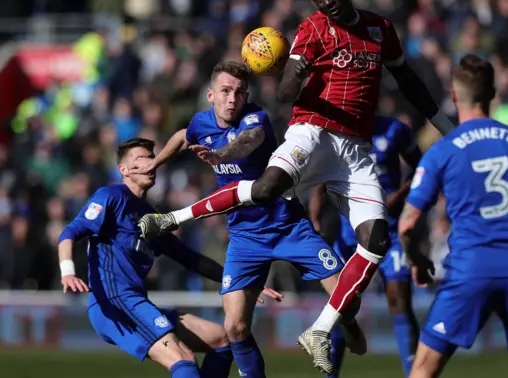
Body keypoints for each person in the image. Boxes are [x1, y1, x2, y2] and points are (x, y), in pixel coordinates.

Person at [138, 0, 454, 374]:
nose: (327, 1)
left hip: (354, 149)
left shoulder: (380, 29)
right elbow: (286, 95)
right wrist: (296, 70)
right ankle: (173, 218)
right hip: (314, 132)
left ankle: (321, 330)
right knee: (267, 187)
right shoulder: (312, 30)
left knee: (377, 239)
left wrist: (448, 129)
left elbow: (408, 80)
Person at [133, 61, 365, 378]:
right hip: (245, 237)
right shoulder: (201, 123)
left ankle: (348, 322)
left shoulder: (256, 118)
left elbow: (250, 140)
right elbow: (183, 136)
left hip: (287, 226)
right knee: (235, 327)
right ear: (211, 95)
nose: (233, 99)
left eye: (240, 93)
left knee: (347, 299)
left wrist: (221, 155)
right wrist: (157, 162)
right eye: (226, 92)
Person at [398, 55, 508, 378]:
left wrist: (416, 259)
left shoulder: (443, 151)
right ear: (492, 94)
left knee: (422, 371)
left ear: (454, 96)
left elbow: (407, 223)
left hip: (469, 269)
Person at [58, 137, 284, 378]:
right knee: (183, 358)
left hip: (136, 302)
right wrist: (68, 271)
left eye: (151, 158)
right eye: (140, 159)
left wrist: (244, 281)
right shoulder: (111, 196)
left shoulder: (151, 216)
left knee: (222, 338)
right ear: (123, 170)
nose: (149, 163)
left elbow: (191, 259)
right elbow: (69, 232)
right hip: (114, 302)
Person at [309, 115, 422, 378]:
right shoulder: (337, 131)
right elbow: (322, 177)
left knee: (399, 300)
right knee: (340, 306)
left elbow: (421, 167)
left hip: (391, 230)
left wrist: (400, 196)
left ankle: (415, 373)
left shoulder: (395, 130)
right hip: (350, 233)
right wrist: (314, 216)